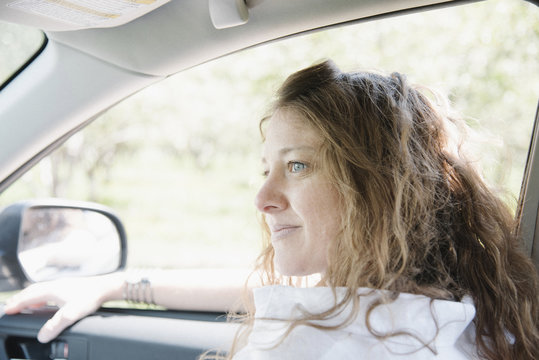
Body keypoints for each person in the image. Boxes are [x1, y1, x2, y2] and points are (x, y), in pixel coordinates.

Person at [5, 60, 538, 359]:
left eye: (298, 166)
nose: (263, 199)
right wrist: (115, 286)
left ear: (377, 188)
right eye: (267, 169)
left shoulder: (324, 345)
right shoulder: (465, 310)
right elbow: (266, 289)